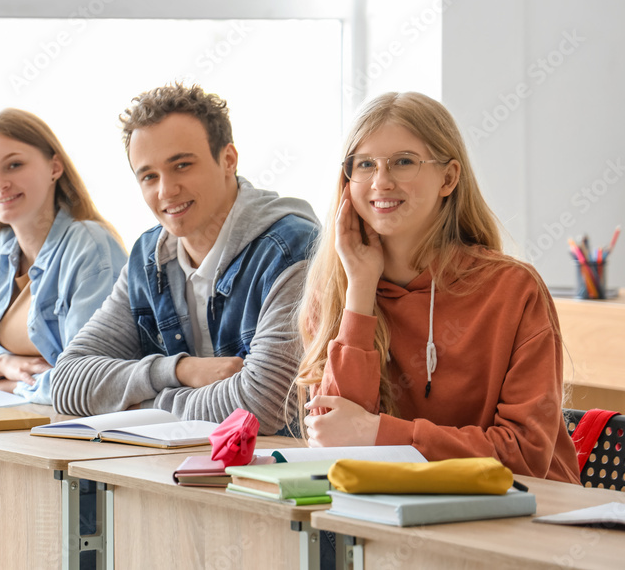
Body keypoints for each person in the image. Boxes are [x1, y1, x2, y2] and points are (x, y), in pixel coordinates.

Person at [294, 91, 579, 483]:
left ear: (448, 178)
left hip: (526, 515)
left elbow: (526, 457)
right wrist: (361, 290)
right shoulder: (337, 291)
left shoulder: (513, 290)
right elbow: (336, 440)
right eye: (364, 164)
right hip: (395, 513)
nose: (381, 181)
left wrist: (382, 433)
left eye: (404, 162)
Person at [51, 83, 319, 435]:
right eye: (149, 176)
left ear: (228, 160)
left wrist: (141, 405)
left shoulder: (291, 248)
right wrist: (180, 371)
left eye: (181, 166)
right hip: (181, 468)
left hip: (277, 474)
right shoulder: (151, 257)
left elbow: (263, 405)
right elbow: (67, 382)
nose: (165, 191)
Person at [0, 108, 126, 403]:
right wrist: (0, 364)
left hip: (68, 428)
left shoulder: (90, 246)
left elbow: (90, 375)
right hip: (3, 423)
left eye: (14, 165)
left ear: (55, 168)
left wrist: (6, 387)